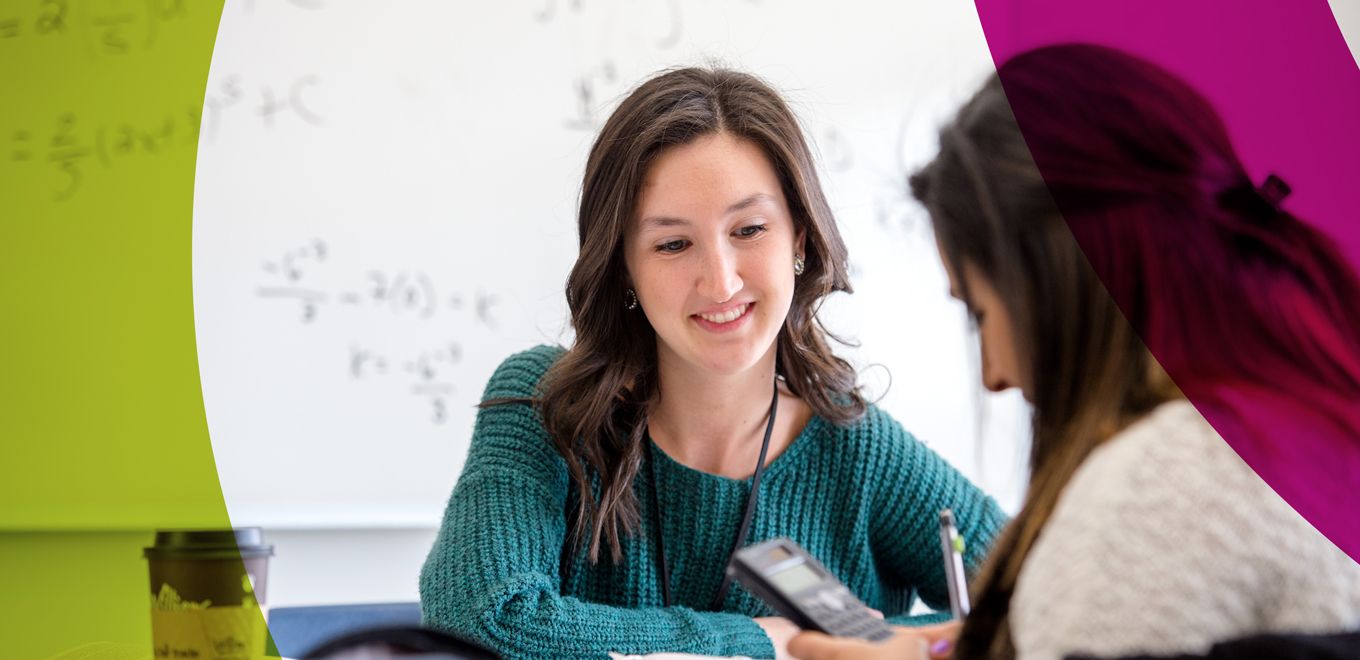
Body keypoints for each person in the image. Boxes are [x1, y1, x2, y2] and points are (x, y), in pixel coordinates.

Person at [787, 43, 1360, 660]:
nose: (994, 376)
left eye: (981, 313)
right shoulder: (1304, 417)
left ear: (1052, 285)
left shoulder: (1161, 486)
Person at [418, 67, 1009, 659]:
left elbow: (1040, 603)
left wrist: (860, 645)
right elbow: (479, 623)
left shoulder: (857, 451)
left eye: (749, 229)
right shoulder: (541, 407)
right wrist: (754, 642)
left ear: (799, 239)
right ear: (625, 266)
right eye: (673, 244)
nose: (721, 281)